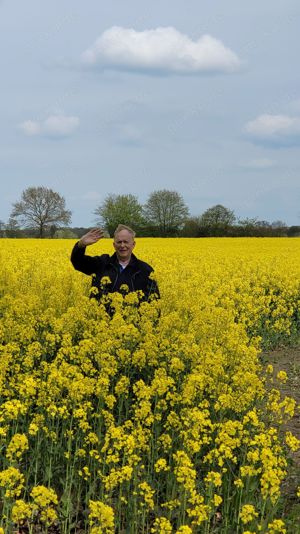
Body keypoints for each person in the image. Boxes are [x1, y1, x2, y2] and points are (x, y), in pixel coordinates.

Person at [71, 225, 160, 305]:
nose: (122, 245)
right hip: (102, 321)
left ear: (133, 245)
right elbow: (78, 263)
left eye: (126, 242)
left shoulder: (145, 270)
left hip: (136, 322)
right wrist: (81, 245)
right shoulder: (101, 263)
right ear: (114, 245)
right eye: (119, 242)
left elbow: (155, 302)